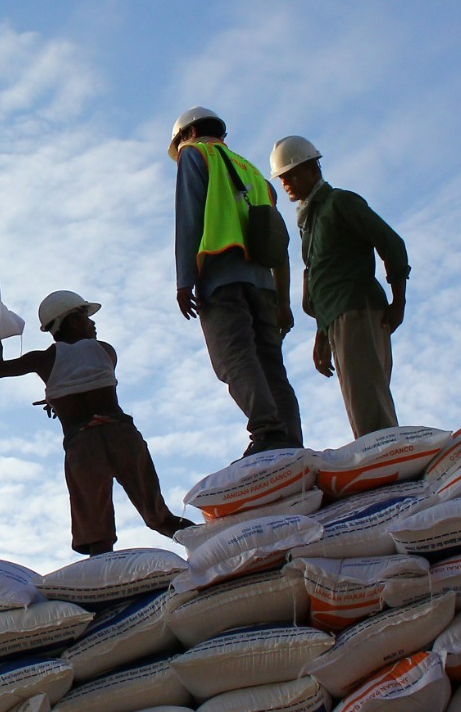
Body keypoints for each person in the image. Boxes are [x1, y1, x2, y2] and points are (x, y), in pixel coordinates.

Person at [0, 291, 195, 556]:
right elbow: (88, 380)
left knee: (98, 538)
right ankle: (213, 547)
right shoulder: (106, 351)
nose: (93, 323)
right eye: (86, 317)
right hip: (122, 436)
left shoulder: (42, 360)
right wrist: (57, 397)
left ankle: (104, 577)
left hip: (83, 446)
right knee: (160, 518)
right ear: (71, 321)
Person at [170, 106, 304, 454]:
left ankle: (267, 431)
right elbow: (279, 241)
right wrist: (283, 300)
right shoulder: (256, 174)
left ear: (188, 134)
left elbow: (189, 218)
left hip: (222, 277)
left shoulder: (194, 154)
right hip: (263, 284)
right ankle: (290, 441)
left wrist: (184, 281)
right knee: (271, 365)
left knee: (234, 356)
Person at [269, 135, 411, 440]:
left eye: (292, 174)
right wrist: (322, 334)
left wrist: (398, 302)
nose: (286, 183)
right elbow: (322, 281)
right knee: (361, 409)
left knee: (371, 409)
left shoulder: (339, 202)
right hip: (338, 319)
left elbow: (392, 244)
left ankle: (390, 462)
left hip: (357, 311)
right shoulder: (310, 222)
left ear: (313, 169)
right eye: (282, 178)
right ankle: (382, 460)